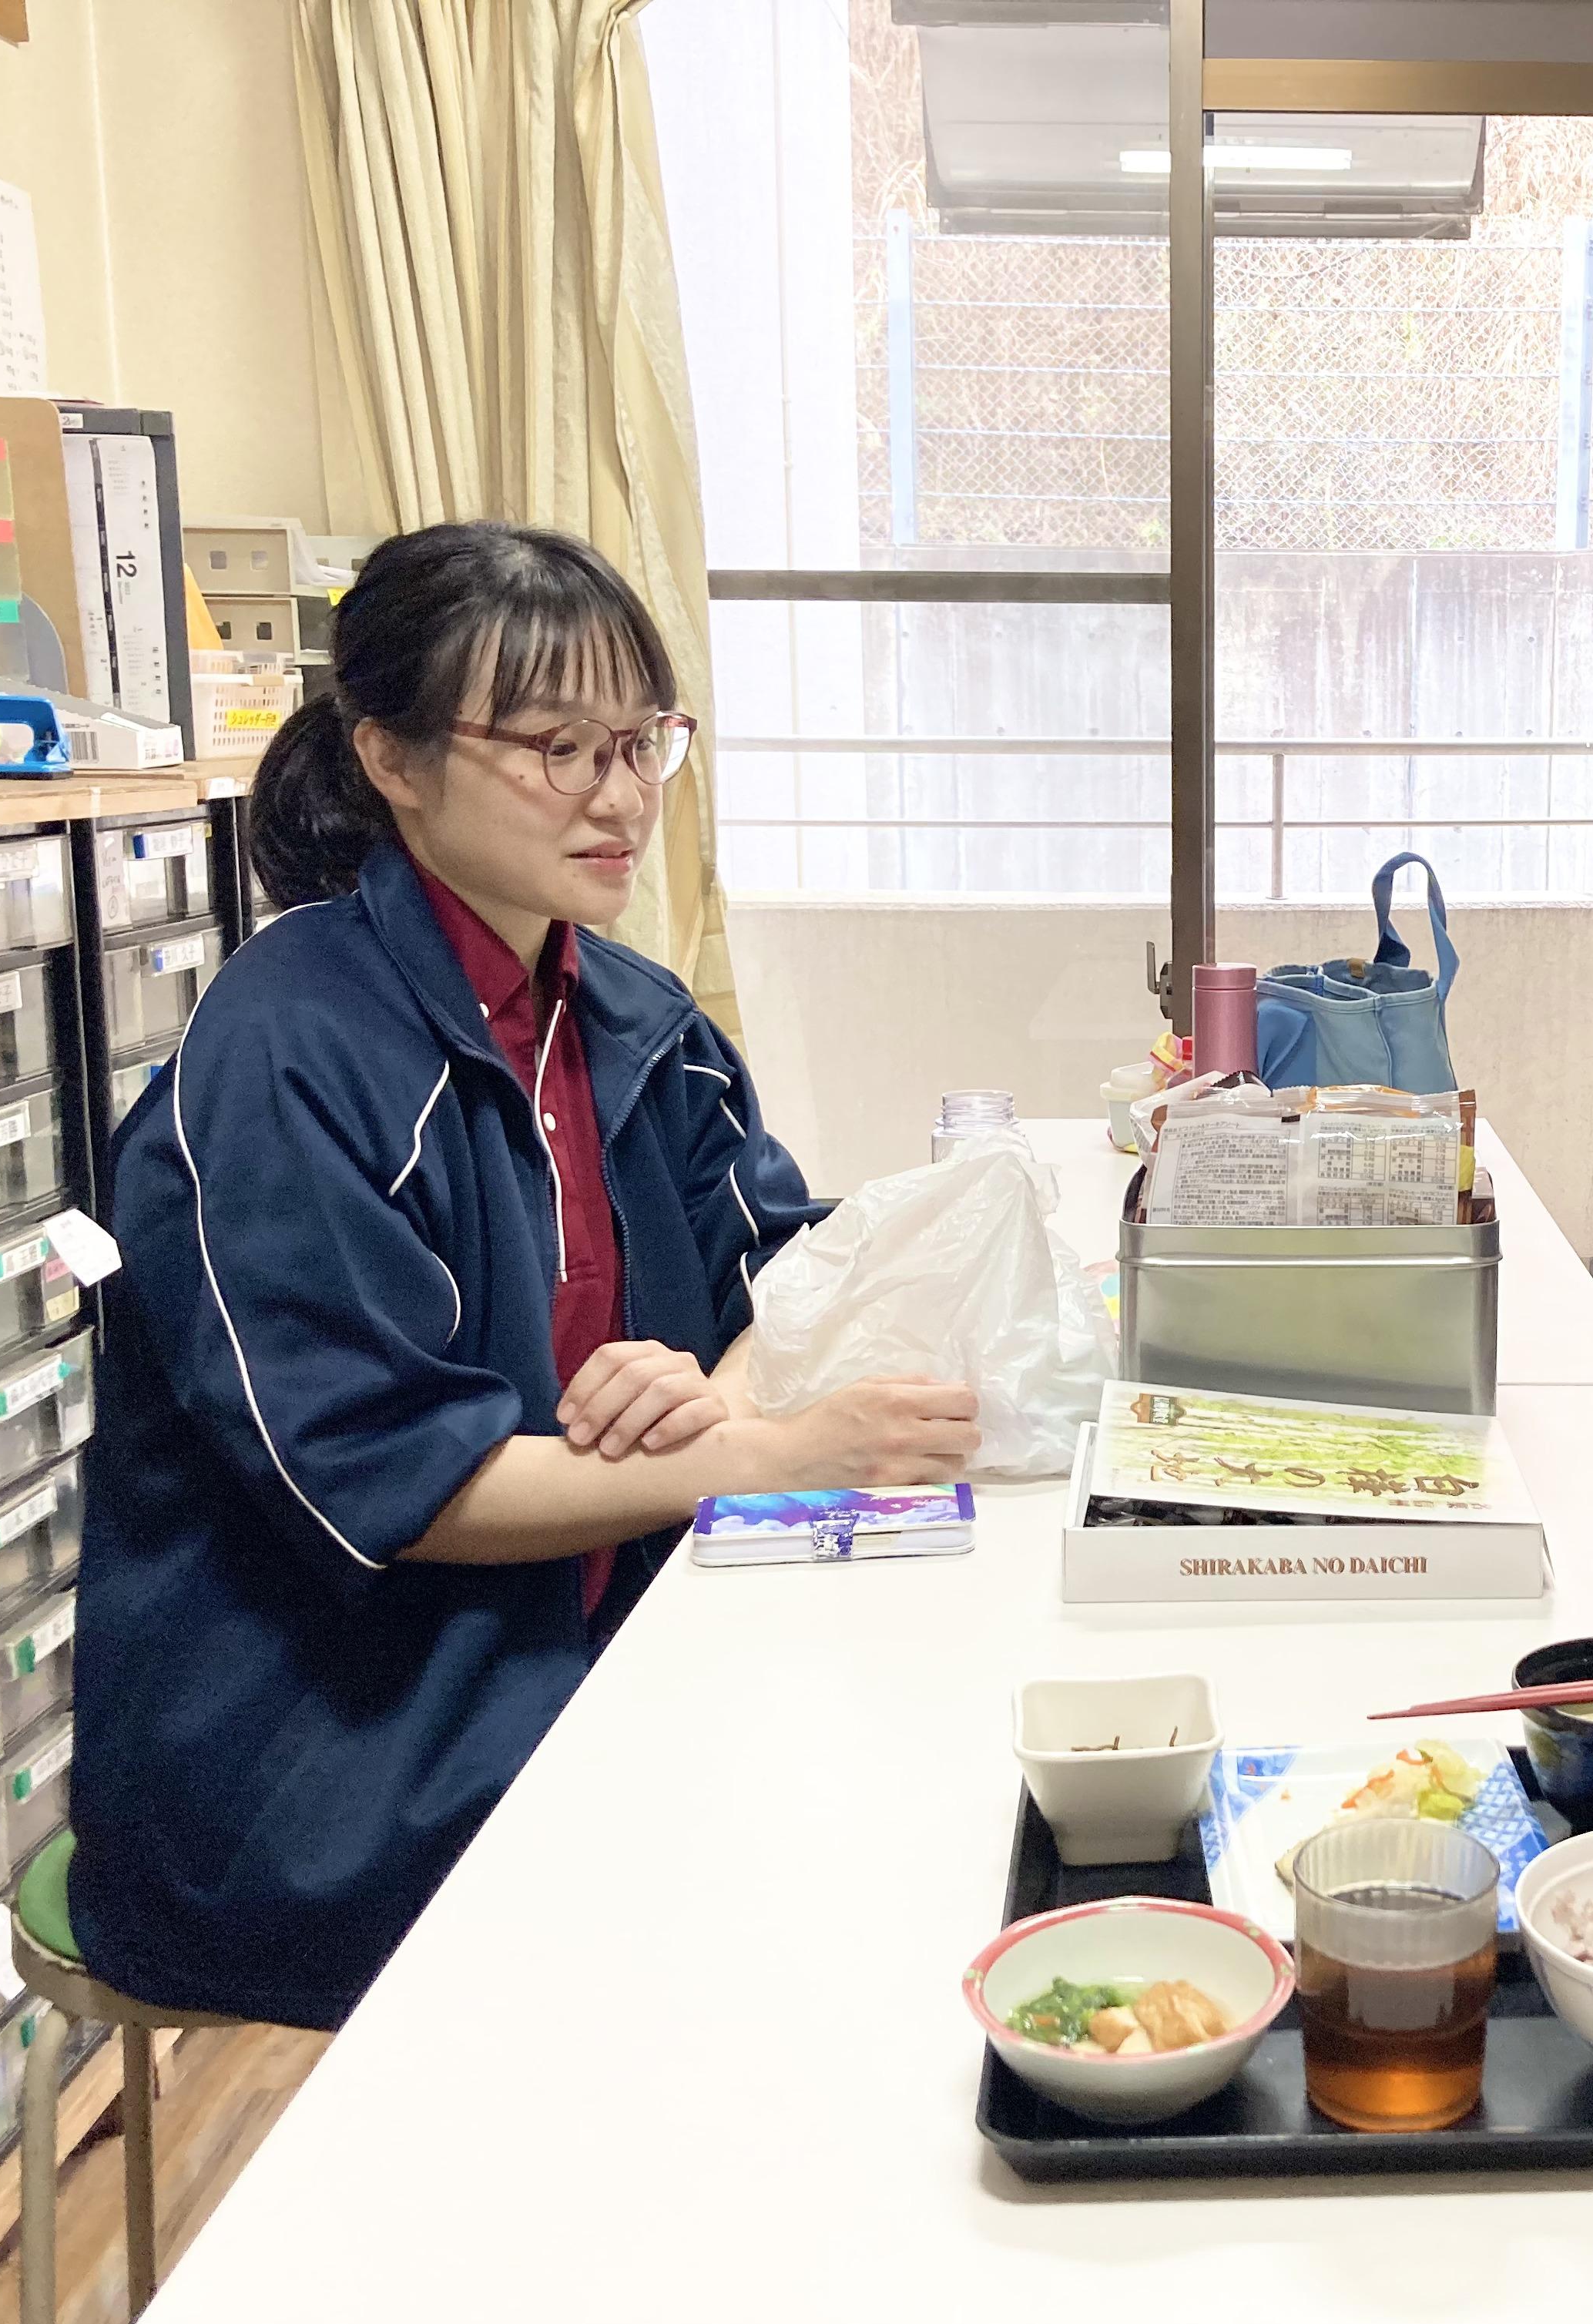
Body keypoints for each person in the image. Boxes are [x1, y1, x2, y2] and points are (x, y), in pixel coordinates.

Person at [72, 522, 981, 2027]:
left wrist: (706, 1392)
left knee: (929, 1755)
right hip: (338, 1745)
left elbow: (782, 1277)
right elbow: (393, 1484)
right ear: (394, 758)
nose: (619, 797)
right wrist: (756, 1457)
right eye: (558, 748)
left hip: (594, 1639)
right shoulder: (287, 1050)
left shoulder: (631, 1012)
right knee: (829, 1896)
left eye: (639, 744)